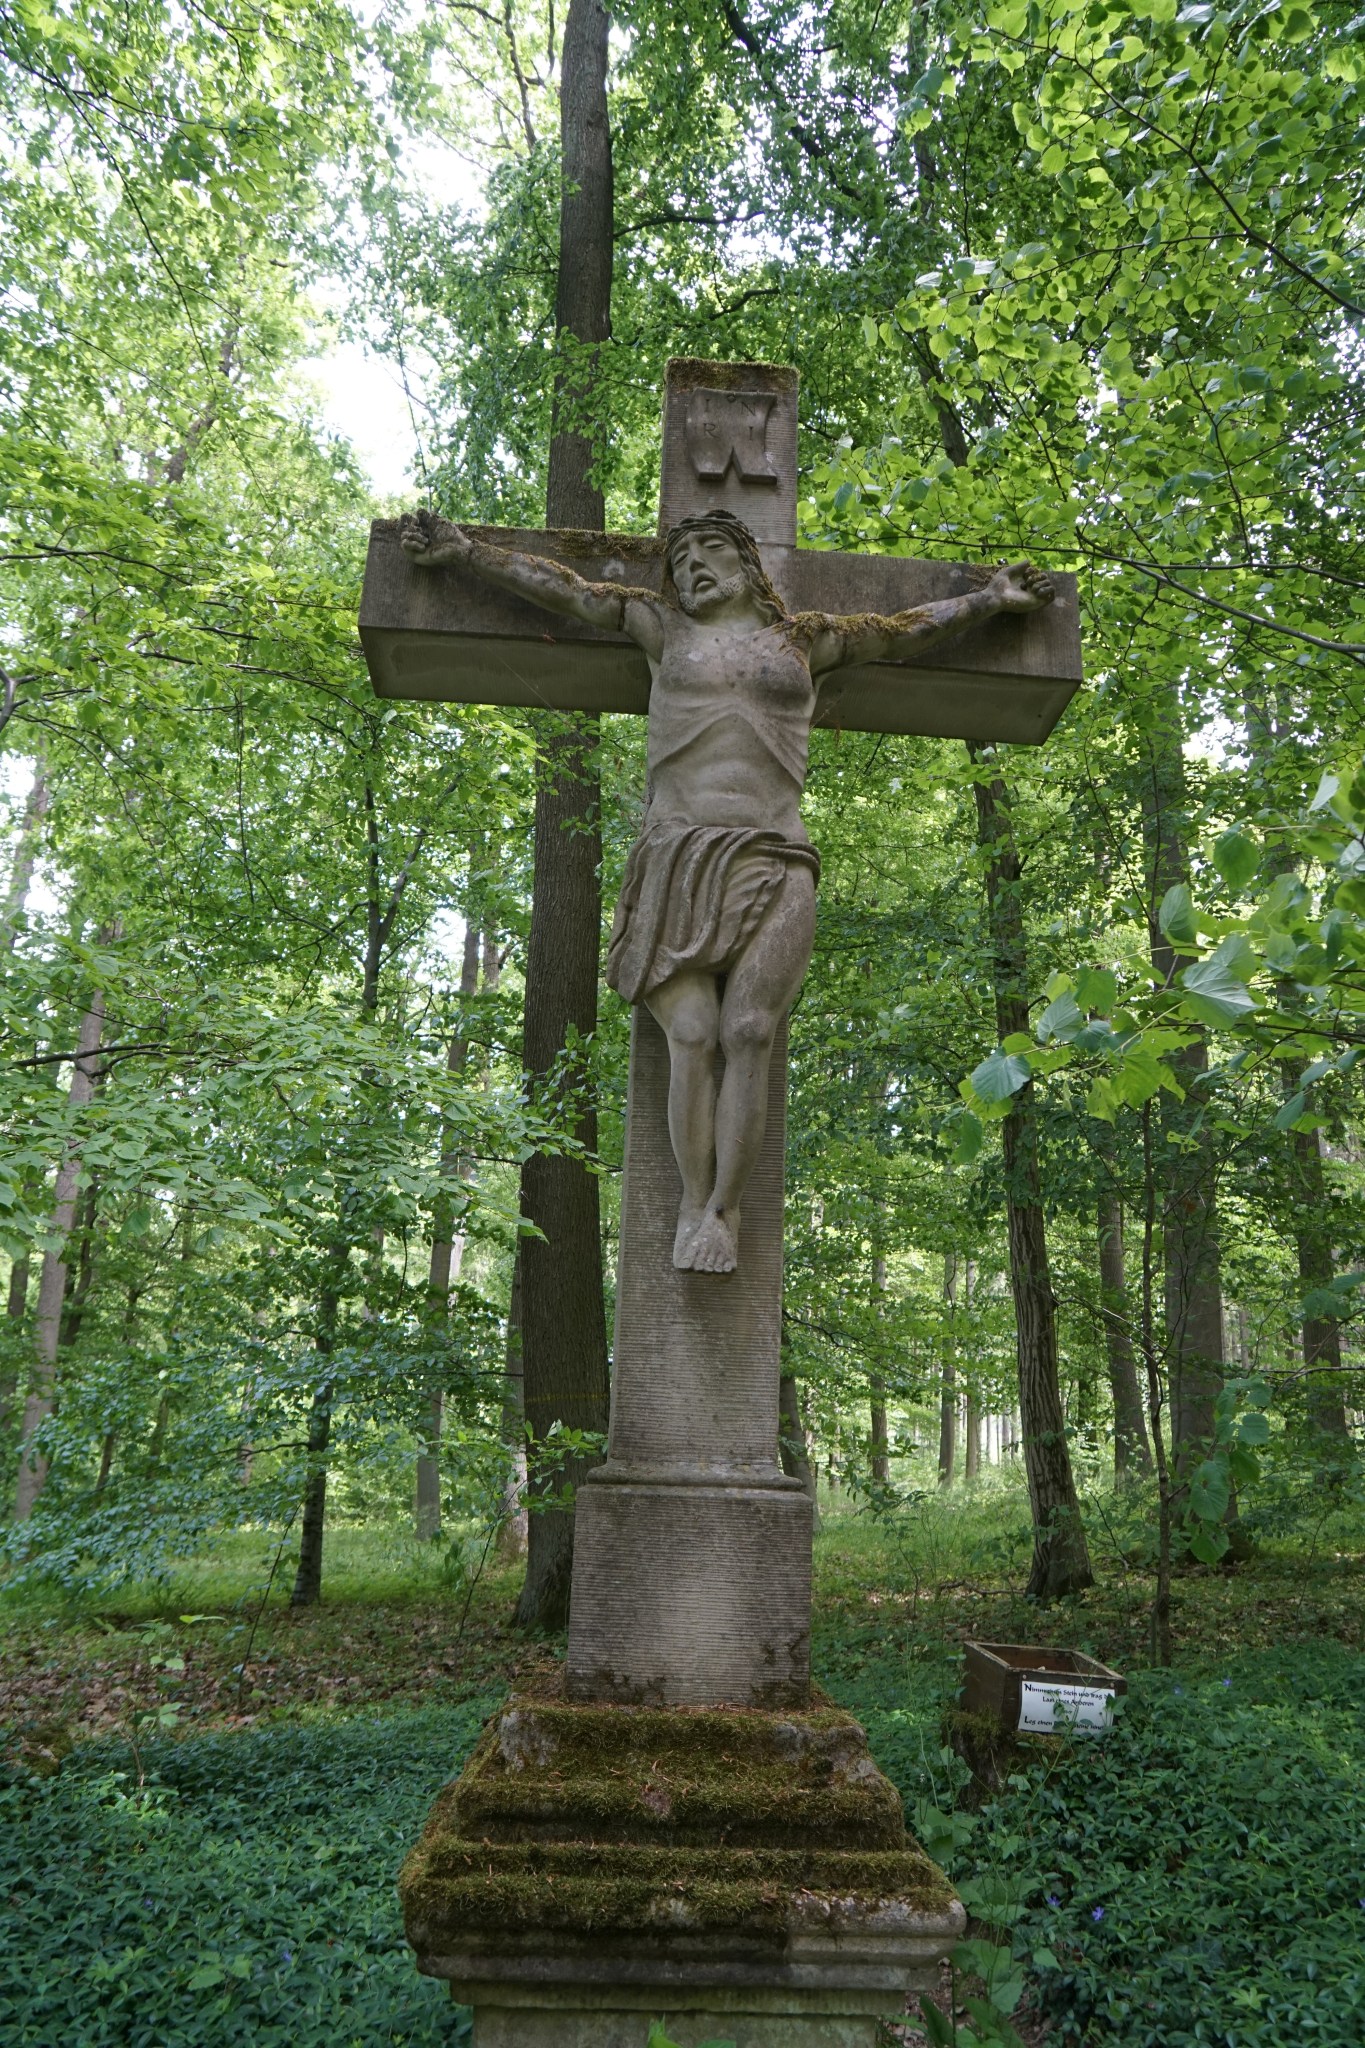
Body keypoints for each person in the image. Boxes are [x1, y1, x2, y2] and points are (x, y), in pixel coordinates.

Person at [401, 505, 1053, 1273]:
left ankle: (723, 1210)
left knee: (747, 1030)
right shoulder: (659, 627)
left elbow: (901, 631)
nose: (691, 568)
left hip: (776, 854)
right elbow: (568, 590)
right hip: (676, 857)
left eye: (709, 550)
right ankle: (692, 1202)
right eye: (679, 561)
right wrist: (467, 554)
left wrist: (987, 600)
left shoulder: (804, 639)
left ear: (747, 564)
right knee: (691, 1032)